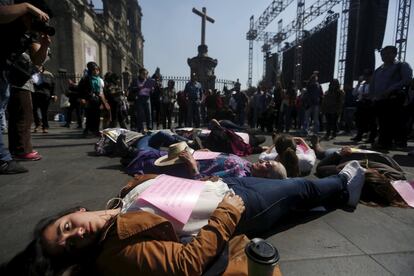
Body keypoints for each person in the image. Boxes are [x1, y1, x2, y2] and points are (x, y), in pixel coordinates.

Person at [2, 161, 366, 275]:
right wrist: (228, 213)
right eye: (68, 247)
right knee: (301, 189)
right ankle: (346, 182)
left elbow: (162, 188)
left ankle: (331, 190)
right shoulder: (116, 252)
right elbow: (187, 263)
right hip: (236, 207)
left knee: (293, 196)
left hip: (222, 185)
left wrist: (195, 178)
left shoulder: (114, 204)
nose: (75, 235)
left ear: (74, 213)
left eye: (66, 228)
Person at [1, 0, 52, 165]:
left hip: (6, 71)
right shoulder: (12, 14)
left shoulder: (31, 32)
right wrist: (27, 7)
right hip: (11, 74)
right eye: (38, 18)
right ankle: (10, 155)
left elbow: (37, 60)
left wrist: (44, 46)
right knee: (20, 113)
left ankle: (7, 155)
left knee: (23, 113)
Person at [121, 130, 286, 179]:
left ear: (267, 177)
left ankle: (130, 151)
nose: (263, 163)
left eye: (268, 166)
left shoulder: (240, 176)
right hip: (196, 155)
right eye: (267, 162)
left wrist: (192, 165)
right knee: (157, 138)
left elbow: (204, 186)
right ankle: (132, 150)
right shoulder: (247, 165)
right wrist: (208, 152)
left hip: (184, 166)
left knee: (150, 156)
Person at [369, 45, 413, 150]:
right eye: (383, 54)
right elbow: (372, 84)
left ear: (395, 54)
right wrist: (372, 96)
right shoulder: (378, 69)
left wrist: (391, 89)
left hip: (394, 99)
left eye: (388, 53)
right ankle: (384, 142)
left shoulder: (401, 65)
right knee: (382, 121)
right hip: (379, 100)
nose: (384, 56)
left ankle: (397, 142)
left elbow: (407, 80)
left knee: (394, 121)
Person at [78, 62, 110, 137]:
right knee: (89, 115)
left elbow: (103, 90)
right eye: (94, 70)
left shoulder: (100, 80)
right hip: (89, 99)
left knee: (97, 116)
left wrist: (105, 100)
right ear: (90, 71)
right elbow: (80, 89)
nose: (96, 71)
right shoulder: (85, 79)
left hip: (98, 99)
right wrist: (82, 98)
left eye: (97, 70)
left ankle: (96, 130)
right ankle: (87, 131)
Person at [351, 70, 376, 143]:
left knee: (371, 121)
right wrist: (358, 84)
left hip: (370, 104)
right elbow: (354, 93)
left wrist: (368, 95)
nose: (366, 77)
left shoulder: (374, 84)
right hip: (361, 104)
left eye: (368, 76)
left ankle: (372, 137)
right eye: (365, 76)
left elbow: (375, 93)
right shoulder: (362, 84)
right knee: (360, 120)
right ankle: (359, 135)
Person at [129, 68, 155, 132]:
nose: (145, 75)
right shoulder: (135, 81)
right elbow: (131, 89)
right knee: (141, 114)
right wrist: (139, 88)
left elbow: (151, 91)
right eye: (144, 73)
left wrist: (152, 89)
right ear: (140, 74)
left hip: (147, 98)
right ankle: (141, 128)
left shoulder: (148, 80)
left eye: (146, 74)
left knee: (148, 113)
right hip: (139, 98)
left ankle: (149, 128)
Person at [32, 65, 56, 133]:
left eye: (39, 66)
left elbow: (53, 85)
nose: (38, 68)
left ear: (42, 67)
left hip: (45, 95)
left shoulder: (48, 74)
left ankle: (45, 127)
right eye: (36, 67)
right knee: (34, 111)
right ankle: (37, 125)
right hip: (34, 95)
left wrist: (53, 94)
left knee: (44, 112)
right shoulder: (32, 75)